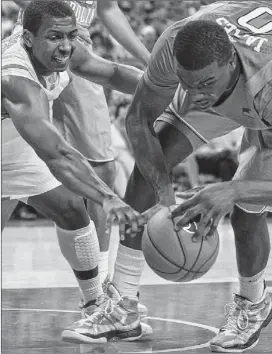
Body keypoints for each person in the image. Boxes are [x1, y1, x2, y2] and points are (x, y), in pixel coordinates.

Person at [66, 0, 272, 351]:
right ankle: (124, 307)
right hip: (235, 74)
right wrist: (164, 198)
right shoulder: (176, 44)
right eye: (185, 83)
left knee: (246, 210)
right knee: (151, 160)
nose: (194, 96)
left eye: (204, 83)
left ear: (230, 61)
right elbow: (138, 119)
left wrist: (234, 190)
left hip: (261, 95)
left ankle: (253, 302)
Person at [2, 0, 152, 342]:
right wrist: (108, 198)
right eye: (55, 37)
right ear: (27, 38)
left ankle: (94, 301)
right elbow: (58, 155)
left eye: (72, 35)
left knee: (71, 209)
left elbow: (111, 73)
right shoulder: (15, 76)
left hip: (12, 147)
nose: (66, 45)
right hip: (14, 145)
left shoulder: (67, 54)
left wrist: (170, 90)